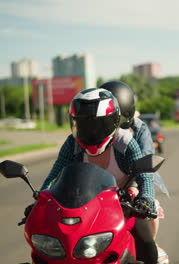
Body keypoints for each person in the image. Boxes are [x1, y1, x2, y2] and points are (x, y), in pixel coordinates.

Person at [38, 88, 158, 264]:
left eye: (98, 125)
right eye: (84, 126)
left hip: (125, 205)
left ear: (113, 122)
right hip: (85, 206)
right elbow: (54, 175)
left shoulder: (124, 142)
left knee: (145, 240)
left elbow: (144, 176)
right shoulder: (71, 144)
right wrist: (40, 200)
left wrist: (146, 199)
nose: (91, 132)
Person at [99, 81, 168, 264]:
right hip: (98, 193)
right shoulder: (92, 129)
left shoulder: (140, 130)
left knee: (146, 234)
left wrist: (137, 191)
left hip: (130, 190)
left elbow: (144, 163)